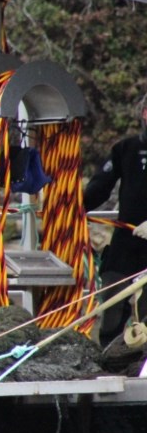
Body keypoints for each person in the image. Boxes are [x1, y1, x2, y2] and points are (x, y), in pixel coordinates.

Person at [83, 94, 147, 348]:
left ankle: (141, 362)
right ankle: (109, 357)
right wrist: (71, 207)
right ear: (143, 115)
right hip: (126, 241)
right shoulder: (126, 149)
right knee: (111, 305)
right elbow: (100, 187)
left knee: (144, 315)